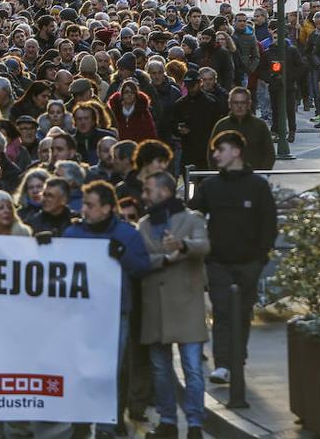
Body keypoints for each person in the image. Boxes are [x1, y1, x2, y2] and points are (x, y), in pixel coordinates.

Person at [190, 131, 278, 386]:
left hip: (249, 263)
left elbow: (268, 225)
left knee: (242, 313)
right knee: (222, 313)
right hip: (218, 262)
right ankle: (223, 364)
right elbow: (194, 214)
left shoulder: (258, 186)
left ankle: (237, 360)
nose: (216, 154)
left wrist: (260, 259)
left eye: (221, 149)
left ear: (236, 152)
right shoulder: (210, 186)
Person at [64, 180, 150, 437]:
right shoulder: (73, 234)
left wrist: (123, 254)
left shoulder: (127, 235)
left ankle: (105, 425)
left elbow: (143, 268)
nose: (84, 210)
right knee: (80, 368)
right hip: (81, 314)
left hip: (114, 315)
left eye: (90, 206)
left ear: (106, 208)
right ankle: (81, 423)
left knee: (110, 370)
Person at [138, 172, 209, 439]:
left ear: (165, 192)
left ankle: (194, 425)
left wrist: (183, 245)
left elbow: (204, 246)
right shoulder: (143, 224)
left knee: (192, 368)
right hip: (155, 305)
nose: (145, 195)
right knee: (160, 369)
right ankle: (168, 421)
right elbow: (143, 258)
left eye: (149, 189)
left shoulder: (192, 219)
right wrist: (168, 258)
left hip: (186, 305)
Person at [208, 87, 276, 171]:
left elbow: (269, 153)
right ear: (229, 104)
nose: (239, 106)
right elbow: (211, 153)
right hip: (226, 179)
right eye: (235, 103)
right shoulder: (221, 125)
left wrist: (262, 174)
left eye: (243, 102)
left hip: (254, 177)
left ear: (249, 104)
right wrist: (218, 175)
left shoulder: (260, 125)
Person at [171, 72, 225, 172]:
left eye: (193, 85)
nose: (191, 88)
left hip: (207, 151)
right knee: (190, 185)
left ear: (200, 83)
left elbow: (218, 126)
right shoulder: (180, 104)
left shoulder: (211, 102)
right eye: (188, 86)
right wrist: (179, 130)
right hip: (188, 152)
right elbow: (173, 125)